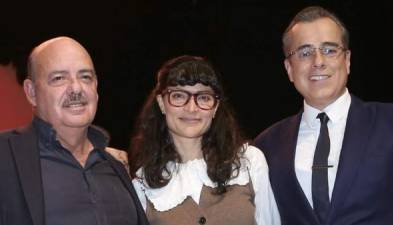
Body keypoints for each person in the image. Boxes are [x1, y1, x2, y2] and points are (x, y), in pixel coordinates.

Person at [254, 6, 393, 225]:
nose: (318, 61)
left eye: (330, 50)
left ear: (347, 60)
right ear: (289, 69)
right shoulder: (265, 147)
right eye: (305, 53)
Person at [0, 36, 148, 225]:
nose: (76, 88)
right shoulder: (5, 156)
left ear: (96, 87)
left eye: (85, 77)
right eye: (59, 78)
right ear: (31, 92)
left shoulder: (119, 167)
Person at [128, 55, 280, 225]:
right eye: (179, 96)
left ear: (215, 108)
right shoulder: (143, 185)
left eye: (203, 97)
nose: (191, 108)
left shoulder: (248, 162)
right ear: (161, 103)